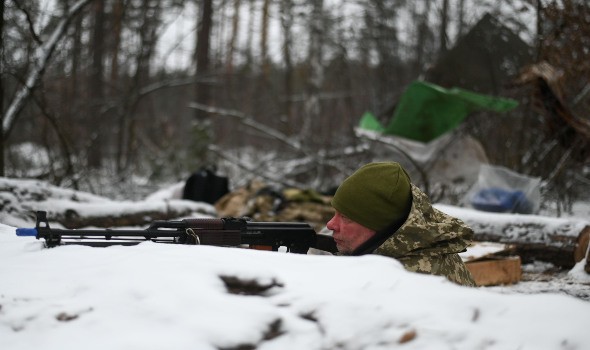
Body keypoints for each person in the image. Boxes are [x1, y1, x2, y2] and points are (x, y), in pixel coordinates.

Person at [326, 162, 476, 287]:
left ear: (380, 226)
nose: (330, 224)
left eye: (346, 217)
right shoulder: (408, 247)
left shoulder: (403, 281)